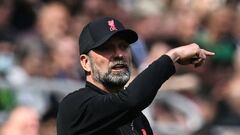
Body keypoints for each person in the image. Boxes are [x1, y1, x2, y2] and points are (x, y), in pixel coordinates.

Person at [57, 17, 214, 135]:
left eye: (124, 47)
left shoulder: (138, 119)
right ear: (85, 63)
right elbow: (131, 100)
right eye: (107, 48)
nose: (119, 54)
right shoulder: (75, 105)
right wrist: (172, 56)